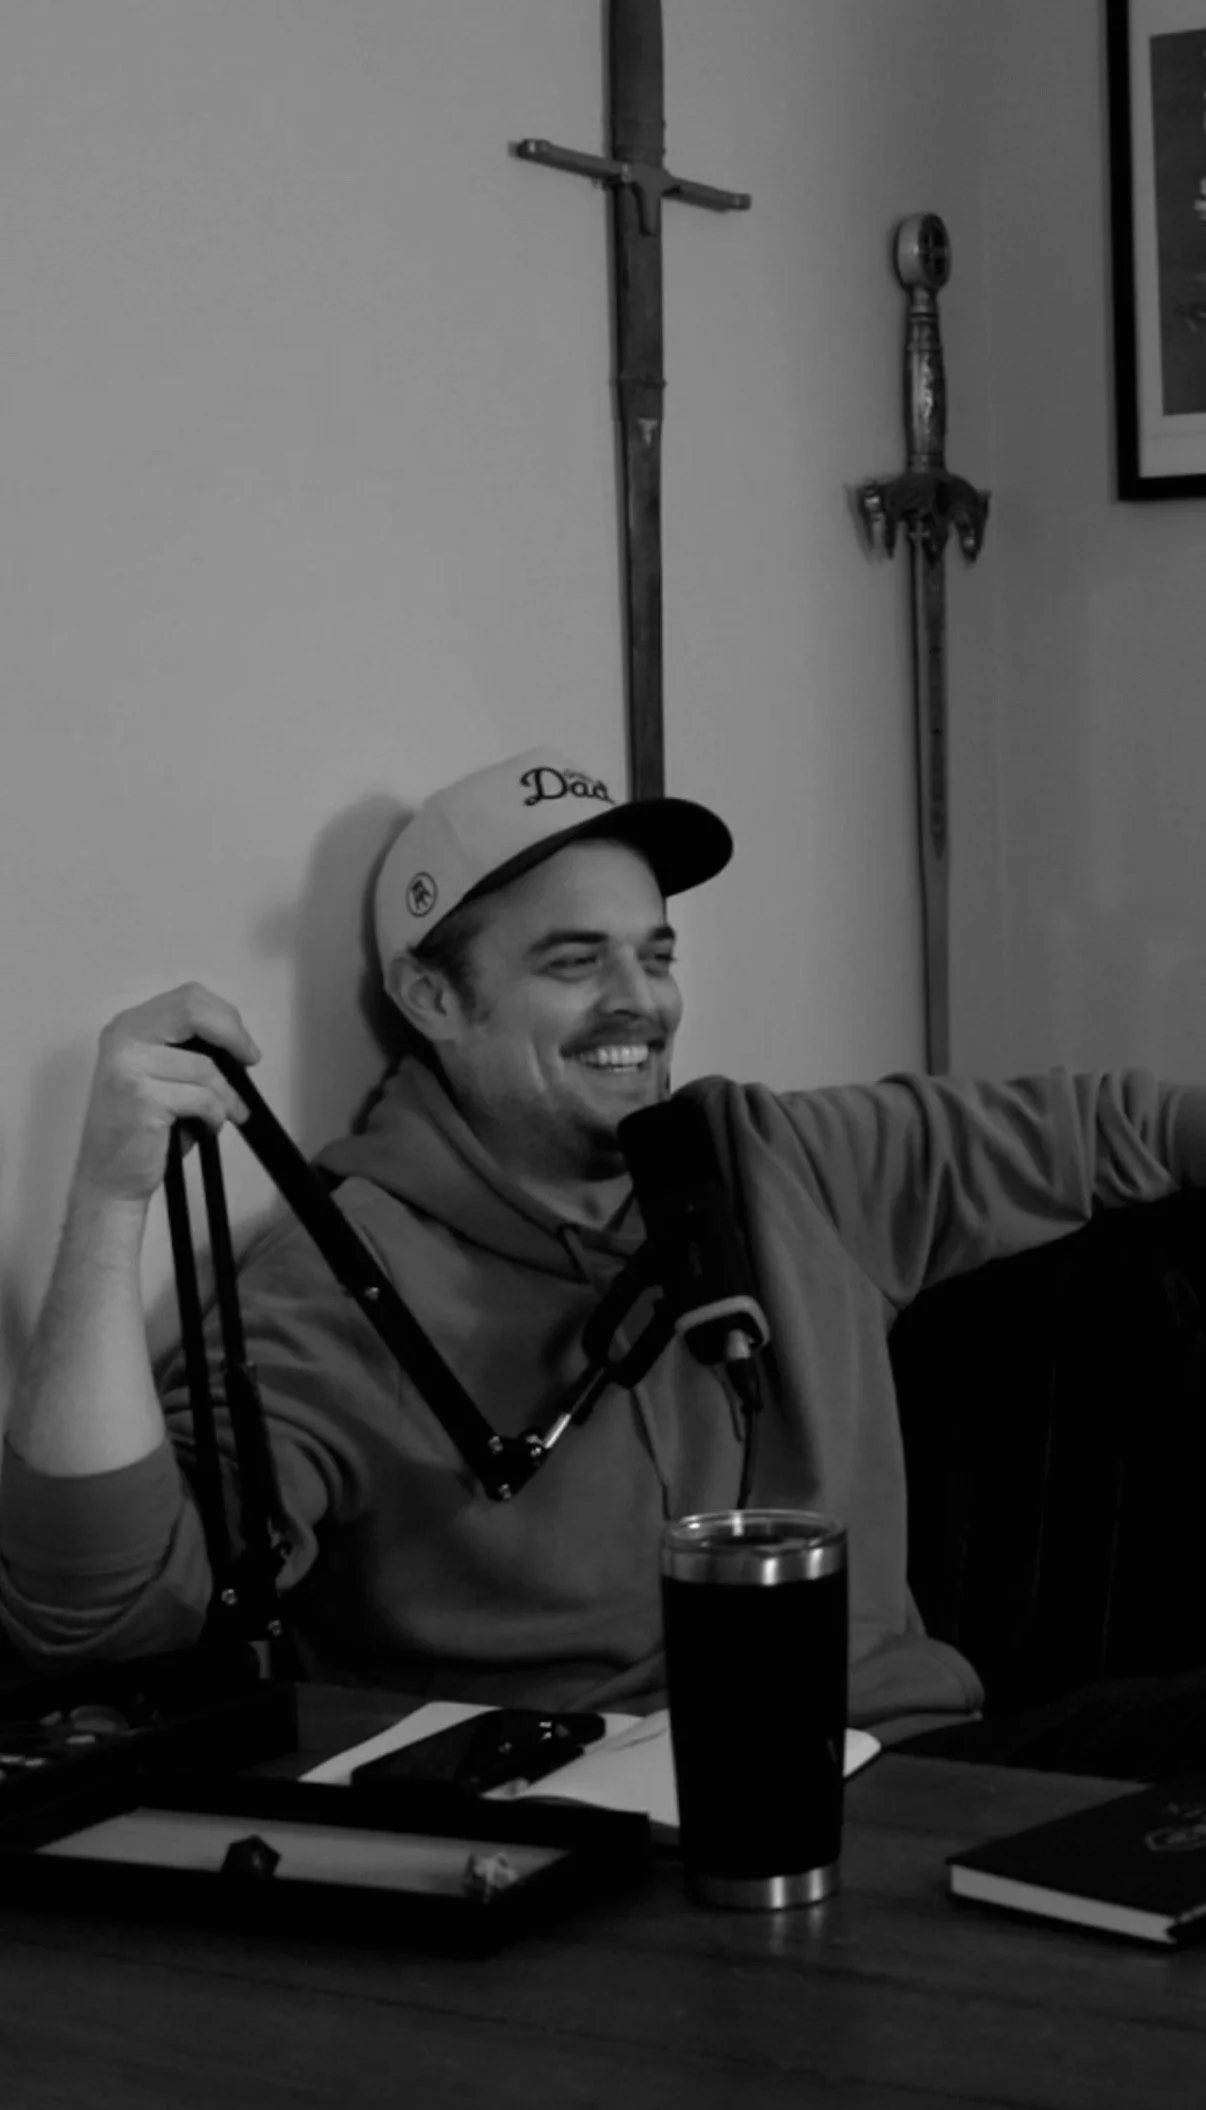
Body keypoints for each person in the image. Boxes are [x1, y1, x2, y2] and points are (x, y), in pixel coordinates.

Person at [2, 746, 1206, 1769]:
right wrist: (110, 1199)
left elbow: (1125, 1128)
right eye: (575, 963)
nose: (641, 1002)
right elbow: (98, 1617)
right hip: (600, 1842)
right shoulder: (334, 1283)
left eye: (658, 953)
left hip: (911, 1769)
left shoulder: (777, 1156)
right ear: (431, 995)